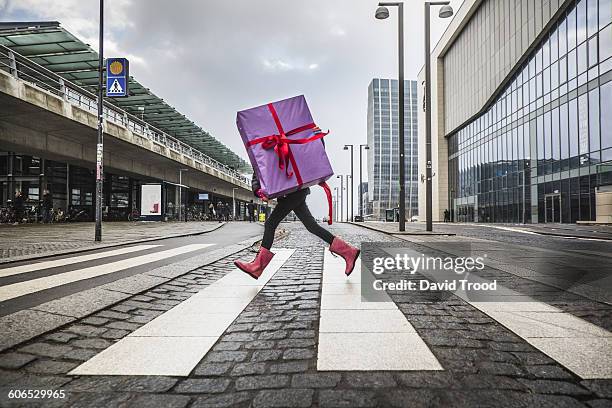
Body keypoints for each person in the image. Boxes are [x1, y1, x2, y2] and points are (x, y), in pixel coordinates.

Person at [234, 173, 360, 280]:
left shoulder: (286, 143)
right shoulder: (260, 146)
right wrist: (258, 190)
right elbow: (258, 171)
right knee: (311, 226)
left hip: (293, 190)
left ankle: (258, 266)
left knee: (271, 223)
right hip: (290, 192)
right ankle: (349, 252)